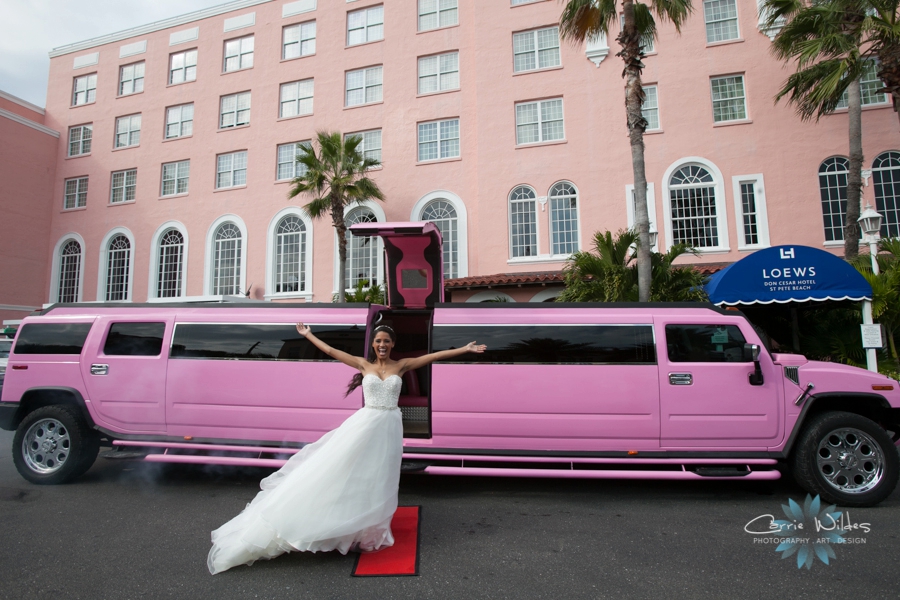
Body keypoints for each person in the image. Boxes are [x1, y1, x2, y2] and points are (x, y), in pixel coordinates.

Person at [207, 323, 486, 575]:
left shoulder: (401, 366)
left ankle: (369, 530)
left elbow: (433, 357)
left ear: (392, 344)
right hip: (364, 426)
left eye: (387, 341)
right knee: (344, 472)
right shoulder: (363, 364)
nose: (382, 345)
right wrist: (308, 335)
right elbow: (331, 350)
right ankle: (329, 522)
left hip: (388, 428)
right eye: (378, 341)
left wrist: (466, 348)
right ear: (373, 344)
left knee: (380, 478)